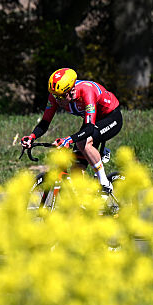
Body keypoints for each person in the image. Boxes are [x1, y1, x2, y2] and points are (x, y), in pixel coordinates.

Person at [20, 68, 124, 209]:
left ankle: (104, 183)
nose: (58, 101)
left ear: (72, 90)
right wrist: (31, 137)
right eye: (55, 96)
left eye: (61, 97)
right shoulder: (56, 96)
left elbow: (88, 128)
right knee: (77, 166)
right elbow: (45, 122)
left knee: (83, 142)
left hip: (111, 117)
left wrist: (68, 140)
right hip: (92, 121)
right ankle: (84, 204)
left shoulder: (87, 91)